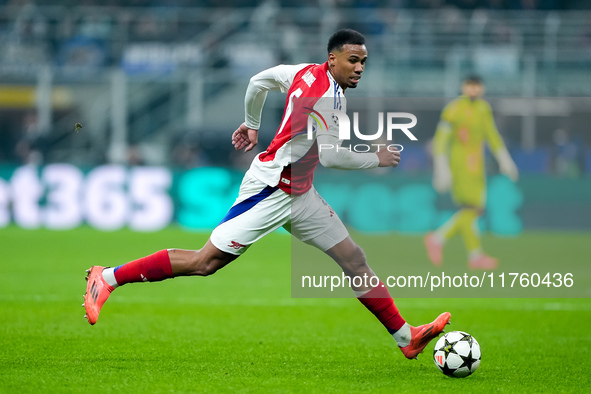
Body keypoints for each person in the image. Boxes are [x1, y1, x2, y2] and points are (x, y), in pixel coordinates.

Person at [84, 29, 450, 360]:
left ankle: (406, 337)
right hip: (271, 189)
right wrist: (378, 158)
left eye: (364, 62)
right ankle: (108, 277)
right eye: (353, 61)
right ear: (333, 58)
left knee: (354, 259)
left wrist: (252, 124)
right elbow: (333, 155)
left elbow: (259, 81)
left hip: (300, 193)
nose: (359, 68)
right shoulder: (324, 97)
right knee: (204, 262)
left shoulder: (307, 72)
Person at [425, 76, 519, 270]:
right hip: (460, 166)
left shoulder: (483, 109)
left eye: (477, 86)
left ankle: (469, 253)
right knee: (472, 209)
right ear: (464, 87)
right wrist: (441, 166)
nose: (474, 90)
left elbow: (491, 135)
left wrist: (504, 159)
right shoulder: (454, 109)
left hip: (478, 167)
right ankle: (442, 241)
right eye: (470, 86)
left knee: (471, 212)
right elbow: (441, 139)